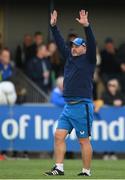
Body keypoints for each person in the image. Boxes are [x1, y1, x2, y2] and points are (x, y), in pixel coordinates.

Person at [44, 10, 96, 176]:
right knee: (59, 135)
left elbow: (93, 42)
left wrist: (87, 26)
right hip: (68, 106)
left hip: (82, 106)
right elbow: (60, 43)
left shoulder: (89, 59)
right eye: (72, 45)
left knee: (83, 141)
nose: (73, 48)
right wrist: (53, 27)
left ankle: (86, 171)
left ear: (84, 48)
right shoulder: (69, 57)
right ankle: (59, 168)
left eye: (76, 45)